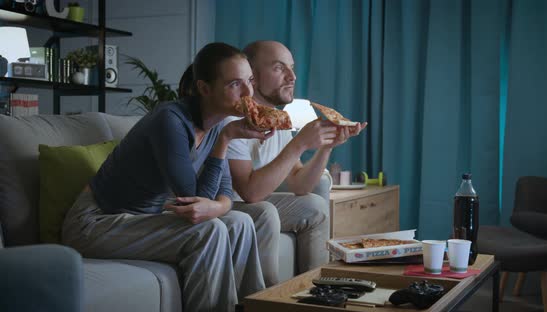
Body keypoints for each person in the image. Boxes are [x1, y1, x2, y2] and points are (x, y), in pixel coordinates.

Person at [61, 42, 274, 311]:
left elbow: (223, 194)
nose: (248, 92)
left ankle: (255, 308)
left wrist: (221, 205)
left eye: (250, 81)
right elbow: (194, 199)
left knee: (240, 222)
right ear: (204, 88)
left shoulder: (219, 122)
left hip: (141, 217)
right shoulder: (170, 120)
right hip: (95, 222)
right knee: (209, 230)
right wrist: (225, 140)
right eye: (234, 84)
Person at [226, 40, 367, 286]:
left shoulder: (278, 120)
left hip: (255, 204)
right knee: (267, 210)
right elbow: (250, 193)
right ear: (252, 77)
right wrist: (299, 143)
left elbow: (300, 186)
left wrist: (326, 145)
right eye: (279, 68)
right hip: (229, 207)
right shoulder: (233, 119)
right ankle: (270, 301)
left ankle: (316, 293)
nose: (292, 76)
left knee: (314, 206)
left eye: (291, 68)